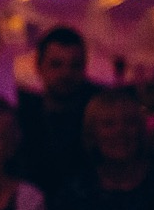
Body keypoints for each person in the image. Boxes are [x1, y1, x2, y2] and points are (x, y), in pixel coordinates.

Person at [14, 25, 99, 197]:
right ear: (39, 67)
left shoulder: (99, 121)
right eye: (56, 64)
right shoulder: (22, 122)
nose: (66, 73)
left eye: (75, 65)